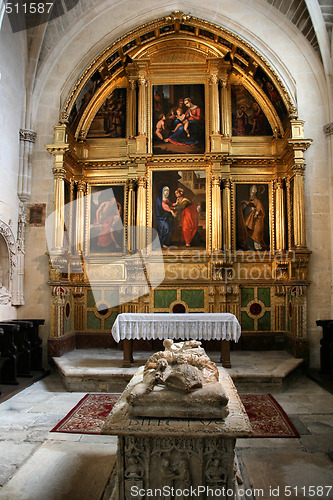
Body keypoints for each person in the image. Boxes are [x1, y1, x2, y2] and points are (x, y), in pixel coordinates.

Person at [238, 184, 267, 250]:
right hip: (250, 220)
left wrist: (256, 213)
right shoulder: (249, 201)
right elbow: (244, 208)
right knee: (249, 233)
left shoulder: (258, 201)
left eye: (252, 193)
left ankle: (257, 246)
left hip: (257, 221)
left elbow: (260, 210)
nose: (251, 194)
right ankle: (250, 246)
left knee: (256, 233)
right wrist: (245, 204)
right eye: (250, 193)